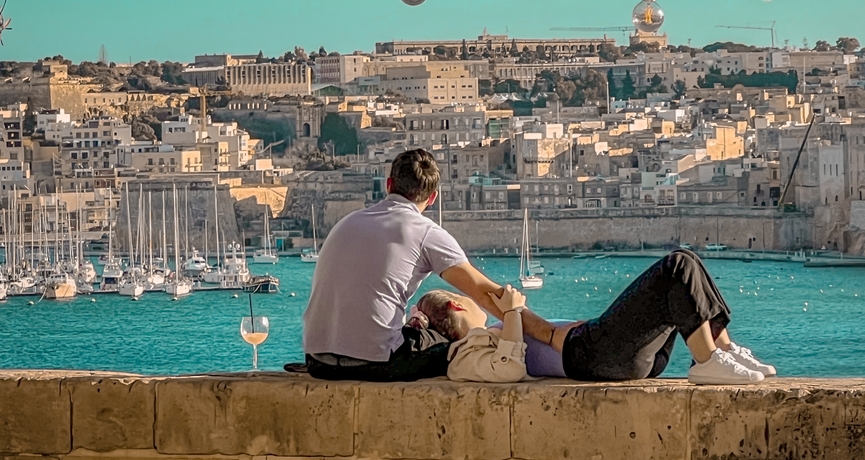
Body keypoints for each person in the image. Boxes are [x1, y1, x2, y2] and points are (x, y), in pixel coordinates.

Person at [301, 148, 518, 381]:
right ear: (433, 197)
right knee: (455, 342)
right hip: (377, 363)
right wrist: (537, 328)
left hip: (317, 361)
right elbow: (485, 294)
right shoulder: (424, 231)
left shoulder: (346, 223)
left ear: (389, 184)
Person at [415, 249, 776, 385]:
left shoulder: (490, 333)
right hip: (588, 355)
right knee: (676, 266)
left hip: (598, 350)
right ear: (459, 306)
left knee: (688, 263)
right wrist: (512, 313)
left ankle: (722, 351)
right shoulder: (470, 349)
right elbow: (517, 359)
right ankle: (708, 359)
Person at [409, 285, 529, 383]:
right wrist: (512, 311)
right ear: (456, 305)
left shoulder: (473, 346)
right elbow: (509, 370)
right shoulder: (462, 358)